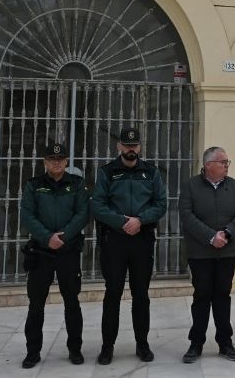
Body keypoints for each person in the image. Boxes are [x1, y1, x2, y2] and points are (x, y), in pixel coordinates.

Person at [91, 127, 168, 365]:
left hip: (142, 239)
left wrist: (140, 221)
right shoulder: (107, 172)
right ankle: (107, 346)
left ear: (140, 147)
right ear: (119, 147)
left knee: (141, 294)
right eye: (126, 145)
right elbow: (98, 205)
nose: (130, 149)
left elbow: (161, 203)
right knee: (112, 293)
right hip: (114, 240)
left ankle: (142, 344)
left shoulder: (151, 172)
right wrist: (122, 222)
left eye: (134, 145)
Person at [18, 142, 90, 368]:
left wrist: (64, 237)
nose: (56, 163)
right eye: (52, 159)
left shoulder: (76, 184)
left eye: (60, 159)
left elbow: (83, 213)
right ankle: (32, 352)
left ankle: (75, 350)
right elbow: (27, 215)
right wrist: (47, 237)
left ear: (66, 161)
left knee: (72, 303)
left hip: (68, 251)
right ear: (45, 162)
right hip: (41, 252)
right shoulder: (34, 185)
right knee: (36, 304)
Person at [179, 146, 235, 364]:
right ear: (209, 165)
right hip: (200, 252)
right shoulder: (190, 186)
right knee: (201, 296)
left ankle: (225, 343)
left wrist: (227, 233)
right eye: (223, 162)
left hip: (227, 251)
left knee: (222, 295)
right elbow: (186, 215)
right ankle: (196, 343)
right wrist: (211, 236)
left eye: (227, 162)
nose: (227, 166)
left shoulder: (234, 185)